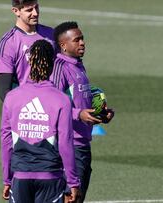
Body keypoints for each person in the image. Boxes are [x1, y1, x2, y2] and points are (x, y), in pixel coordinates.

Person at [0, 40, 80, 203]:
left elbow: (6, 140)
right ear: (52, 63)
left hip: (20, 178)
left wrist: (7, 179)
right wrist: (72, 181)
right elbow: (66, 143)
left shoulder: (12, 97)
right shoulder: (61, 100)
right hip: (50, 177)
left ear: (29, 61)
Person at [50, 21, 114, 202]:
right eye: (76, 40)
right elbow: (51, 105)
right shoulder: (59, 67)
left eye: (82, 38)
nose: (82, 43)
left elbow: (80, 99)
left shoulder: (78, 65)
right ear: (63, 45)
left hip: (82, 144)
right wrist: (78, 114)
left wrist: (102, 113)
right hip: (68, 147)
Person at [0, 0, 54, 101]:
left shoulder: (52, 34)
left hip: (53, 102)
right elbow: (4, 92)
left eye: (36, 7)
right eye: (29, 10)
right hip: (29, 107)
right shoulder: (8, 43)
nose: (35, 13)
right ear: (16, 11)